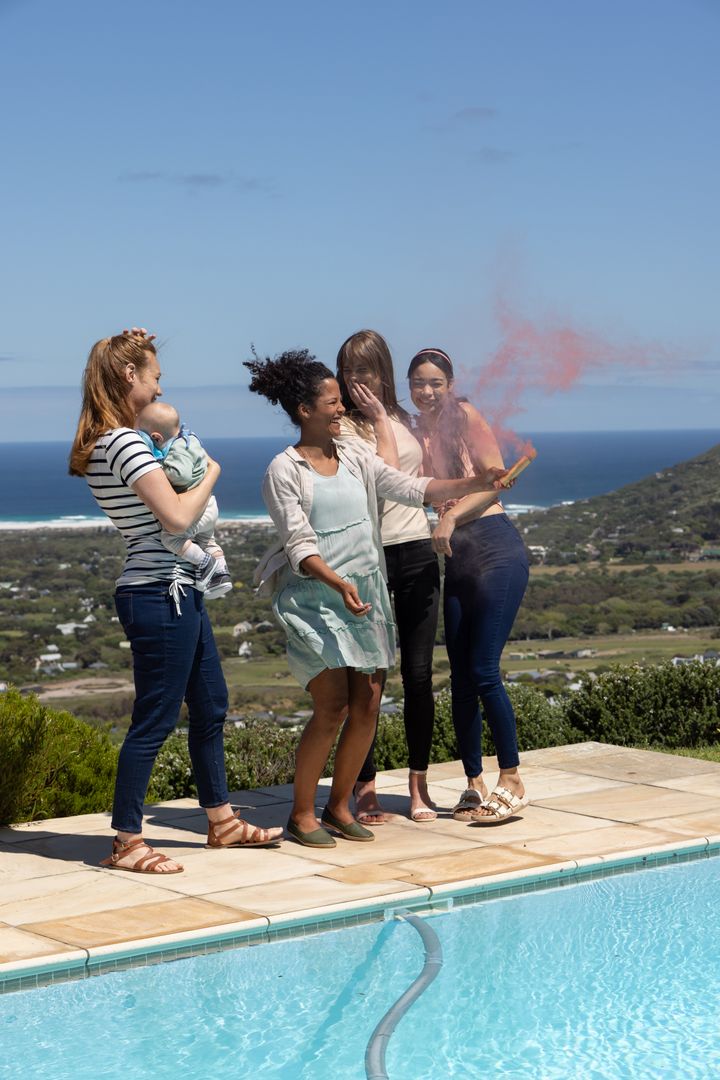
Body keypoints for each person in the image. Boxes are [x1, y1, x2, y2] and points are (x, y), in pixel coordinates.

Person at [245, 348, 510, 849]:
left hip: (363, 589)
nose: (341, 408)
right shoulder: (284, 470)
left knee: (367, 702)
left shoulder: (354, 456)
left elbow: (410, 487)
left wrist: (476, 481)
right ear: (305, 411)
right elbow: (300, 545)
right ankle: (302, 816)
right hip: (316, 594)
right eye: (332, 402)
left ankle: (340, 805)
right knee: (333, 706)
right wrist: (337, 583)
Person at [69, 329, 283, 874]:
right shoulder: (123, 441)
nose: (162, 385)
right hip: (157, 591)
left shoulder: (115, 440)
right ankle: (126, 841)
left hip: (177, 588)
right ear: (129, 376)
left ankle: (222, 821)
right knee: (155, 718)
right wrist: (212, 469)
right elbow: (179, 518)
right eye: (156, 375)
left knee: (210, 705)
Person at [408, 347, 530, 823]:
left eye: (436, 382)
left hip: (495, 547)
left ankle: (513, 780)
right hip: (458, 556)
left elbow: (494, 481)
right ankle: (474, 783)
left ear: (451, 384)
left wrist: (451, 516)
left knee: (483, 670)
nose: (427, 391)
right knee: (459, 678)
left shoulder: (466, 415)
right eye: (419, 383)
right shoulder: (419, 431)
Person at [336, 330, 440, 824]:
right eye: (349, 370)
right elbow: (390, 482)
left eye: (366, 370)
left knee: (418, 676)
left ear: (383, 371)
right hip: (370, 557)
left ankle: (419, 786)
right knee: (368, 677)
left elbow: (422, 481)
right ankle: (367, 786)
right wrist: (377, 418)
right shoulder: (344, 428)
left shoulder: (406, 419)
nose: (357, 379)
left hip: (417, 549)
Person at [135, 400, 232, 598]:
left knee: (171, 538)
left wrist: (157, 467)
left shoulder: (178, 450)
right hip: (208, 505)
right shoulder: (190, 440)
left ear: (156, 437)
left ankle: (205, 563)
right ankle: (222, 576)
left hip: (196, 509)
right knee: (207, 540)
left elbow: (181, 475)